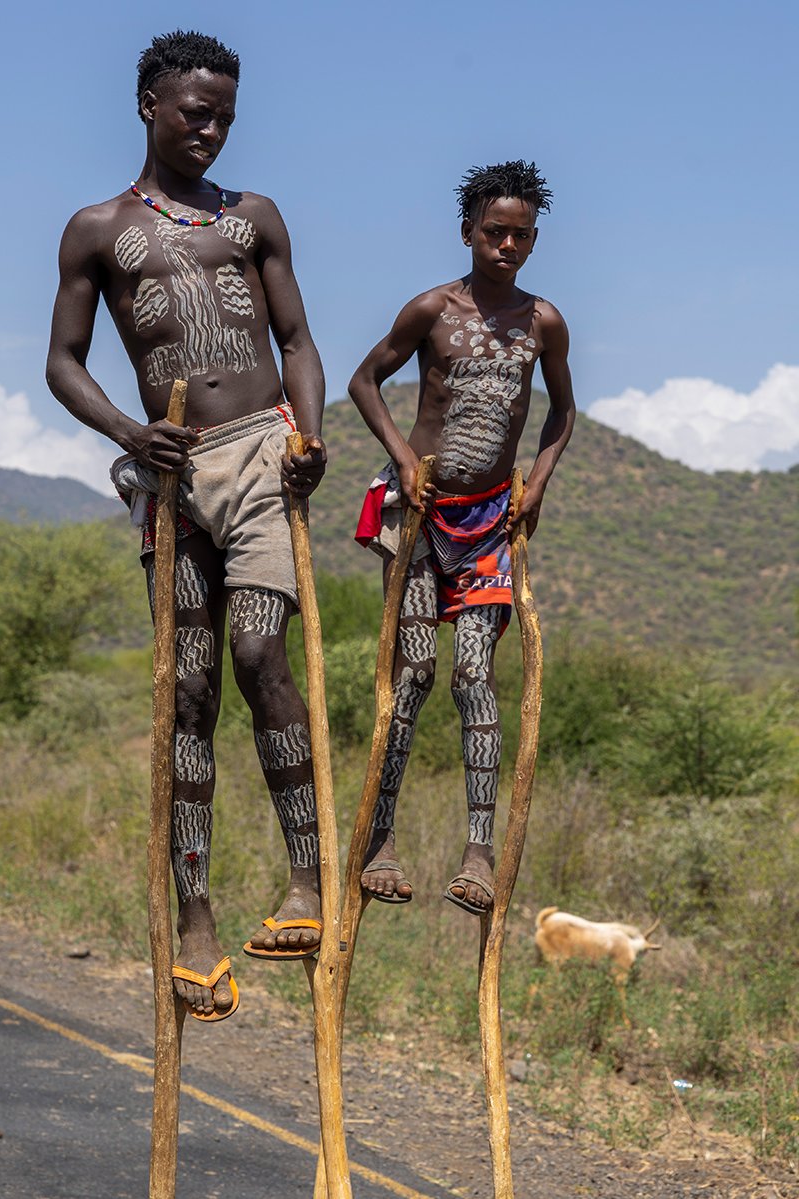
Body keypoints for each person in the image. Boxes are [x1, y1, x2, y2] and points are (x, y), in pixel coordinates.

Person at [47, 30, 327, 1021]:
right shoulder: (95, 229)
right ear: (148, 106)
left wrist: (310, 435)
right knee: (190, 690)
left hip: (258, 457)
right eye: (193, 111)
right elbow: (65, 361)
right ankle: (197, 919)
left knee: (259, 653)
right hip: (167, 474)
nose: (210, 128)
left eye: (224, 115)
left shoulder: (253, 219)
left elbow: (294, 337)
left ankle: (309, 880)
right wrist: (130, 429)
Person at [350, 160, 576, 915]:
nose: (506, 246)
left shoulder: (542, 322)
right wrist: (407, 462)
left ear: (534, 241)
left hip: (488, 525)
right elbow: (364, 380)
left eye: (521, 236)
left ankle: (478, 853)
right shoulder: (432, 310)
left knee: (473, 676)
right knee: (410, 674)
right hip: (418, 516)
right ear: (467, 233)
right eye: (494, 233)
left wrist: (535, 484)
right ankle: (379, 838)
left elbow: (561, 411)